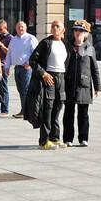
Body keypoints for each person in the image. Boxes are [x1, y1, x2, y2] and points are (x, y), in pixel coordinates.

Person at [29, 19, 74, 150]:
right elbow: (33, 60)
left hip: (61, 77)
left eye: (57, 26)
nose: (55, 28)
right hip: (49, 77)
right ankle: (44, 141)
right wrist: (43, 73)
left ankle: (55, 139)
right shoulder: (46, 43)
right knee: (47, 109)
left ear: (63, 30)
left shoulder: (65, 43)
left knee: (58, 108)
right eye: (53, 26)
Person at [63, 24, 101, 146]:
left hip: (84, 85)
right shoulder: (67, 46)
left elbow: (95, 69)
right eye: (76, 31)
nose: (78, 33)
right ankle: (68, 139)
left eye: (81, 31)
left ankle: (83, 138)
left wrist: (97, 87)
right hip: (69, 84)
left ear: (86, 34)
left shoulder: (89, 48)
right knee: (68, 113)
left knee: (83, 114)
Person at [6, 20, 39, 118]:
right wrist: (7, 66)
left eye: (22, 27)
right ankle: (24, 109)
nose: (20, 29)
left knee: (25, 89)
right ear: (16, 29)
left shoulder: (30, 38)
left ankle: (25, 111)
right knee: (20, 89)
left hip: (26, 68)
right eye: (18, 27)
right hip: (17, 68)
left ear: (26, 28)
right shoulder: (13, 39)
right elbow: (9, 53)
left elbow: (36, 53)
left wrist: (29, 63)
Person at [0, 19, 13, 116]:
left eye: (1, 29)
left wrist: (1, 44)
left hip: (4, 64)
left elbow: (10, 52)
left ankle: (4, 109)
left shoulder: (10, 38)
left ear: (5, 28)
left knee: (4, 87)